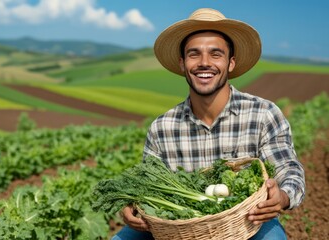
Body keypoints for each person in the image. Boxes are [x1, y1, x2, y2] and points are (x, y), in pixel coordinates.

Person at [113, 8, 305, 240]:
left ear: (230, 63)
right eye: (194, 54)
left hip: (246, 222)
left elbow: (288, 169)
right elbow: (144, 184)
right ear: (183, 63)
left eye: (216, 54)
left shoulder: (263, 114)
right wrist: (131, 205)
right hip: (179, 227)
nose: (204, 63)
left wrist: (282, 196)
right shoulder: (162, 128)